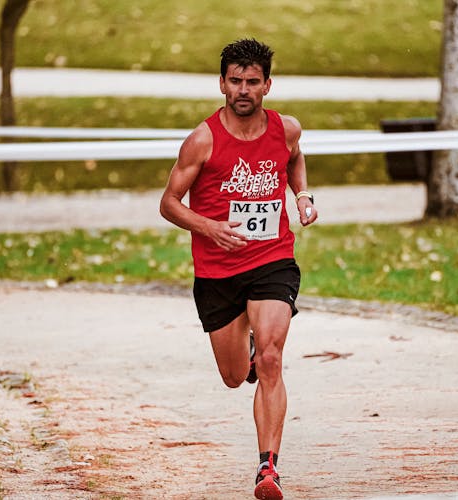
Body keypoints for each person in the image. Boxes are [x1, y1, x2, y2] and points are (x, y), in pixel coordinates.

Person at [159, 38, 317, 500]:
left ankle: (268, 468)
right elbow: (168, 203)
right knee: (234, 376)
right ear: (222, 83)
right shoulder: (203, 139)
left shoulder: (286, 129)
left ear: (267, 84)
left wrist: (301, 195)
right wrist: (209, 227)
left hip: (272, 259)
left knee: (271, 358)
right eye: (235, 81)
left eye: (252, 81)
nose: (243, 89)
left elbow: (295, 157)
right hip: (218, 271)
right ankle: (243, 350)